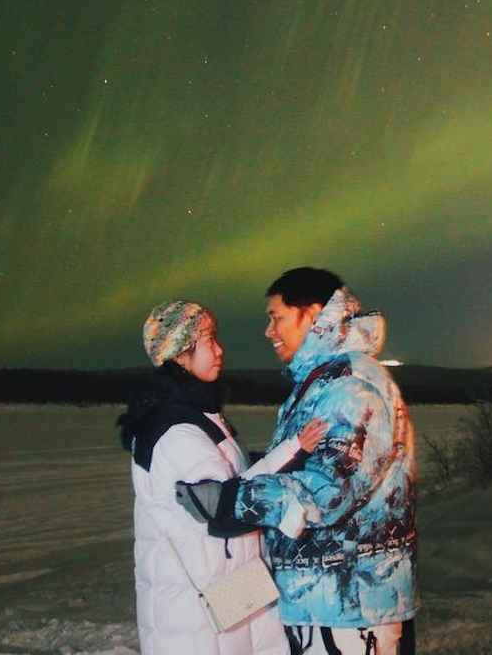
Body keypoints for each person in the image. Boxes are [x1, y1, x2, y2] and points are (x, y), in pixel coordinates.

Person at [176, 268, 419, 655]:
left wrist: (233, 501)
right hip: (323, 603)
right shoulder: (320, 383)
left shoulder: (351, 387)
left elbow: (327, 490)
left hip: (348, 611)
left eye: (276, 317)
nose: (268, 331)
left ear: (314, 313)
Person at [118, 299, 327, 655]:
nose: (219, 350)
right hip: (196, 611)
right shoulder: (174, 431)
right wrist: (289, 506)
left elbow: (238, 481)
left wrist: (295, 449)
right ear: (180, 354)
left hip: (230, 590)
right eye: (207, 340)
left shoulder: (200, 416)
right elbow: (222, 508)